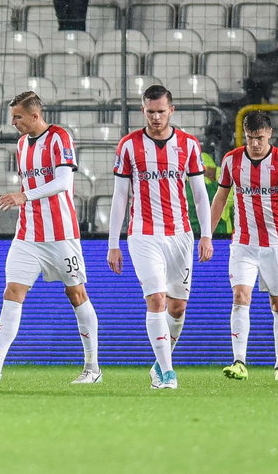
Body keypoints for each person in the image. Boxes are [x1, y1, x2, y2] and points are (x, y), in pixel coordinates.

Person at [0, 92, 101, 385]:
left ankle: (92, 367)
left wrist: (24, 195)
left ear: (35, 115)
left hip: (61, 234)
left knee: (76, 294)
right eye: (12, 117)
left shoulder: (59, 138)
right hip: (28, 234)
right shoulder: (21, 145)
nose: (13, 122)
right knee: (13, 292)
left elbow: (63, 182)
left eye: (18, 116)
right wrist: (25, 200)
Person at [106, 85, 214, 390]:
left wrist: (206, 235)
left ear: (172, 110)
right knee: (156, 299)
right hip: (143, 234)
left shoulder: (189, 145)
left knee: (177, 308)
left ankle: (159, 363)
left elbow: (199, 194)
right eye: (150, 111)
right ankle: (168, 372)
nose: (156, 117)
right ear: (143, 111)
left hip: (180, 235)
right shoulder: (129, 146)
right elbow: (119, 196)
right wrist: (113, 243)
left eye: (161, 111)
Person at [210, 111, 278, 381]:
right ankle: (239, 362)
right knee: (240, 296)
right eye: (250, 138)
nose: (254, 144)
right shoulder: (231, 160)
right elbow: (220, 198)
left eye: (260, 138)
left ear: (270, 135)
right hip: (243, 243)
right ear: (244, 134)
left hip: (276, 244)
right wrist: (206, 234)